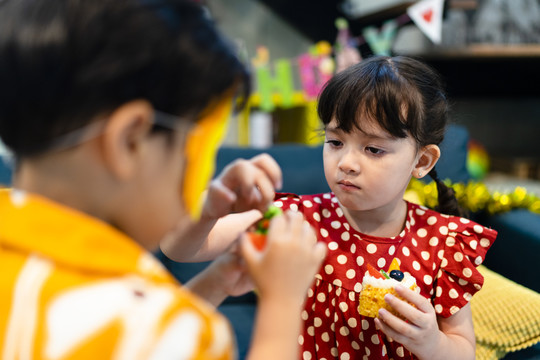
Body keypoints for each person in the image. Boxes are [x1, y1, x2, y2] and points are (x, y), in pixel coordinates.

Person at [0, 0, 326, 359]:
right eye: (200, 151)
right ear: (131, 140)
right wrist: (283, 303)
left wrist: (214, 282)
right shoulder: (176, 330)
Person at [195, 56, 498, 360]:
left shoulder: (443, 243)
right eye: (335, 142)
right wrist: (208, 209)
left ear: (421, 161)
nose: (347, 163)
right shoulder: (296, 219)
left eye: (373, 149)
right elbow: (185, 249)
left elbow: (464, 352)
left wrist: (432, 343)